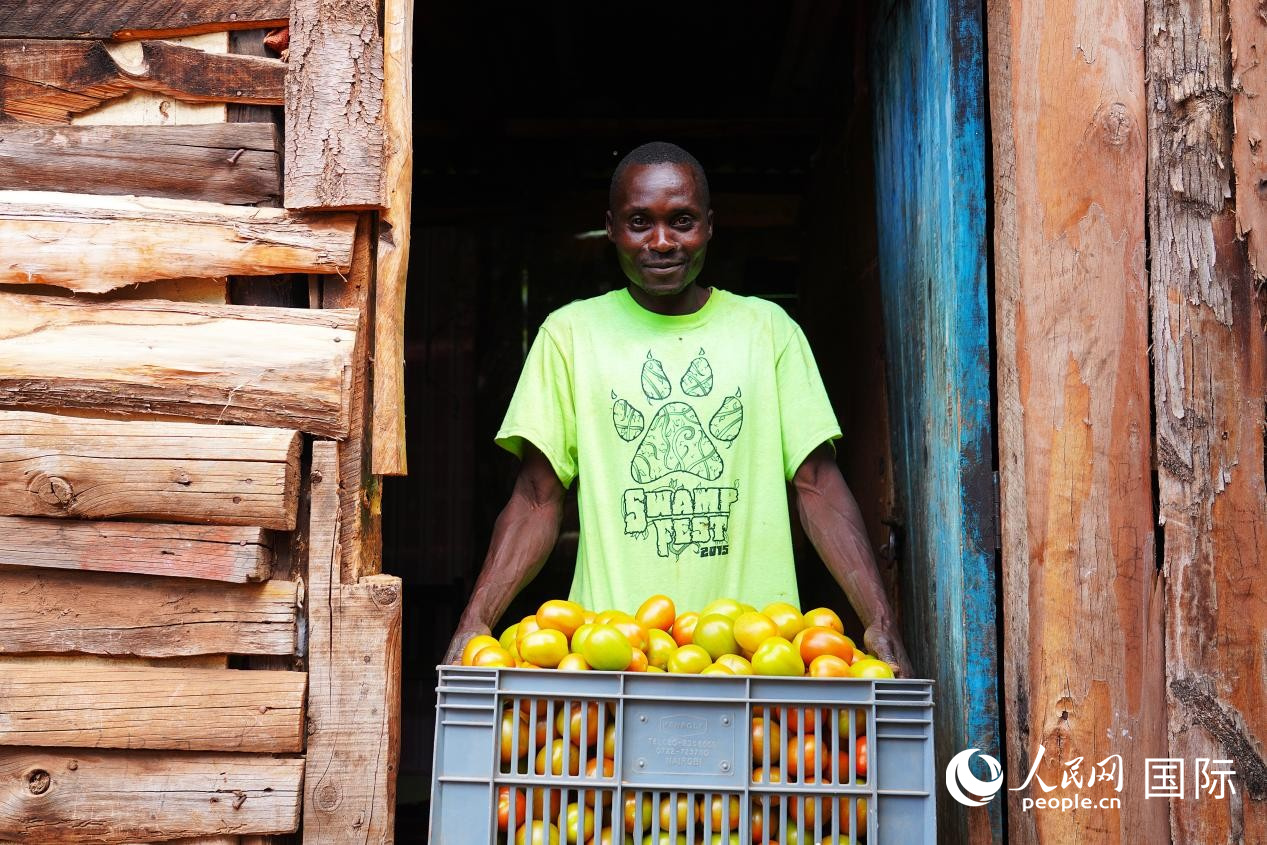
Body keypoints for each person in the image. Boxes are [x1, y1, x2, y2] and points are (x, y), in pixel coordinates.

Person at [445, 142, 912, 675]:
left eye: (682, 221)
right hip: (612, 655)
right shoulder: (569, 335)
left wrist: (879, 617)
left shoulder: (769, 332)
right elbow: (535, 498)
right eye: (640, 221)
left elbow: (817, 485)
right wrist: (474, 622)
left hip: (757, 659)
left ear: (709, 226)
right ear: (611, 227)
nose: (662, 242)